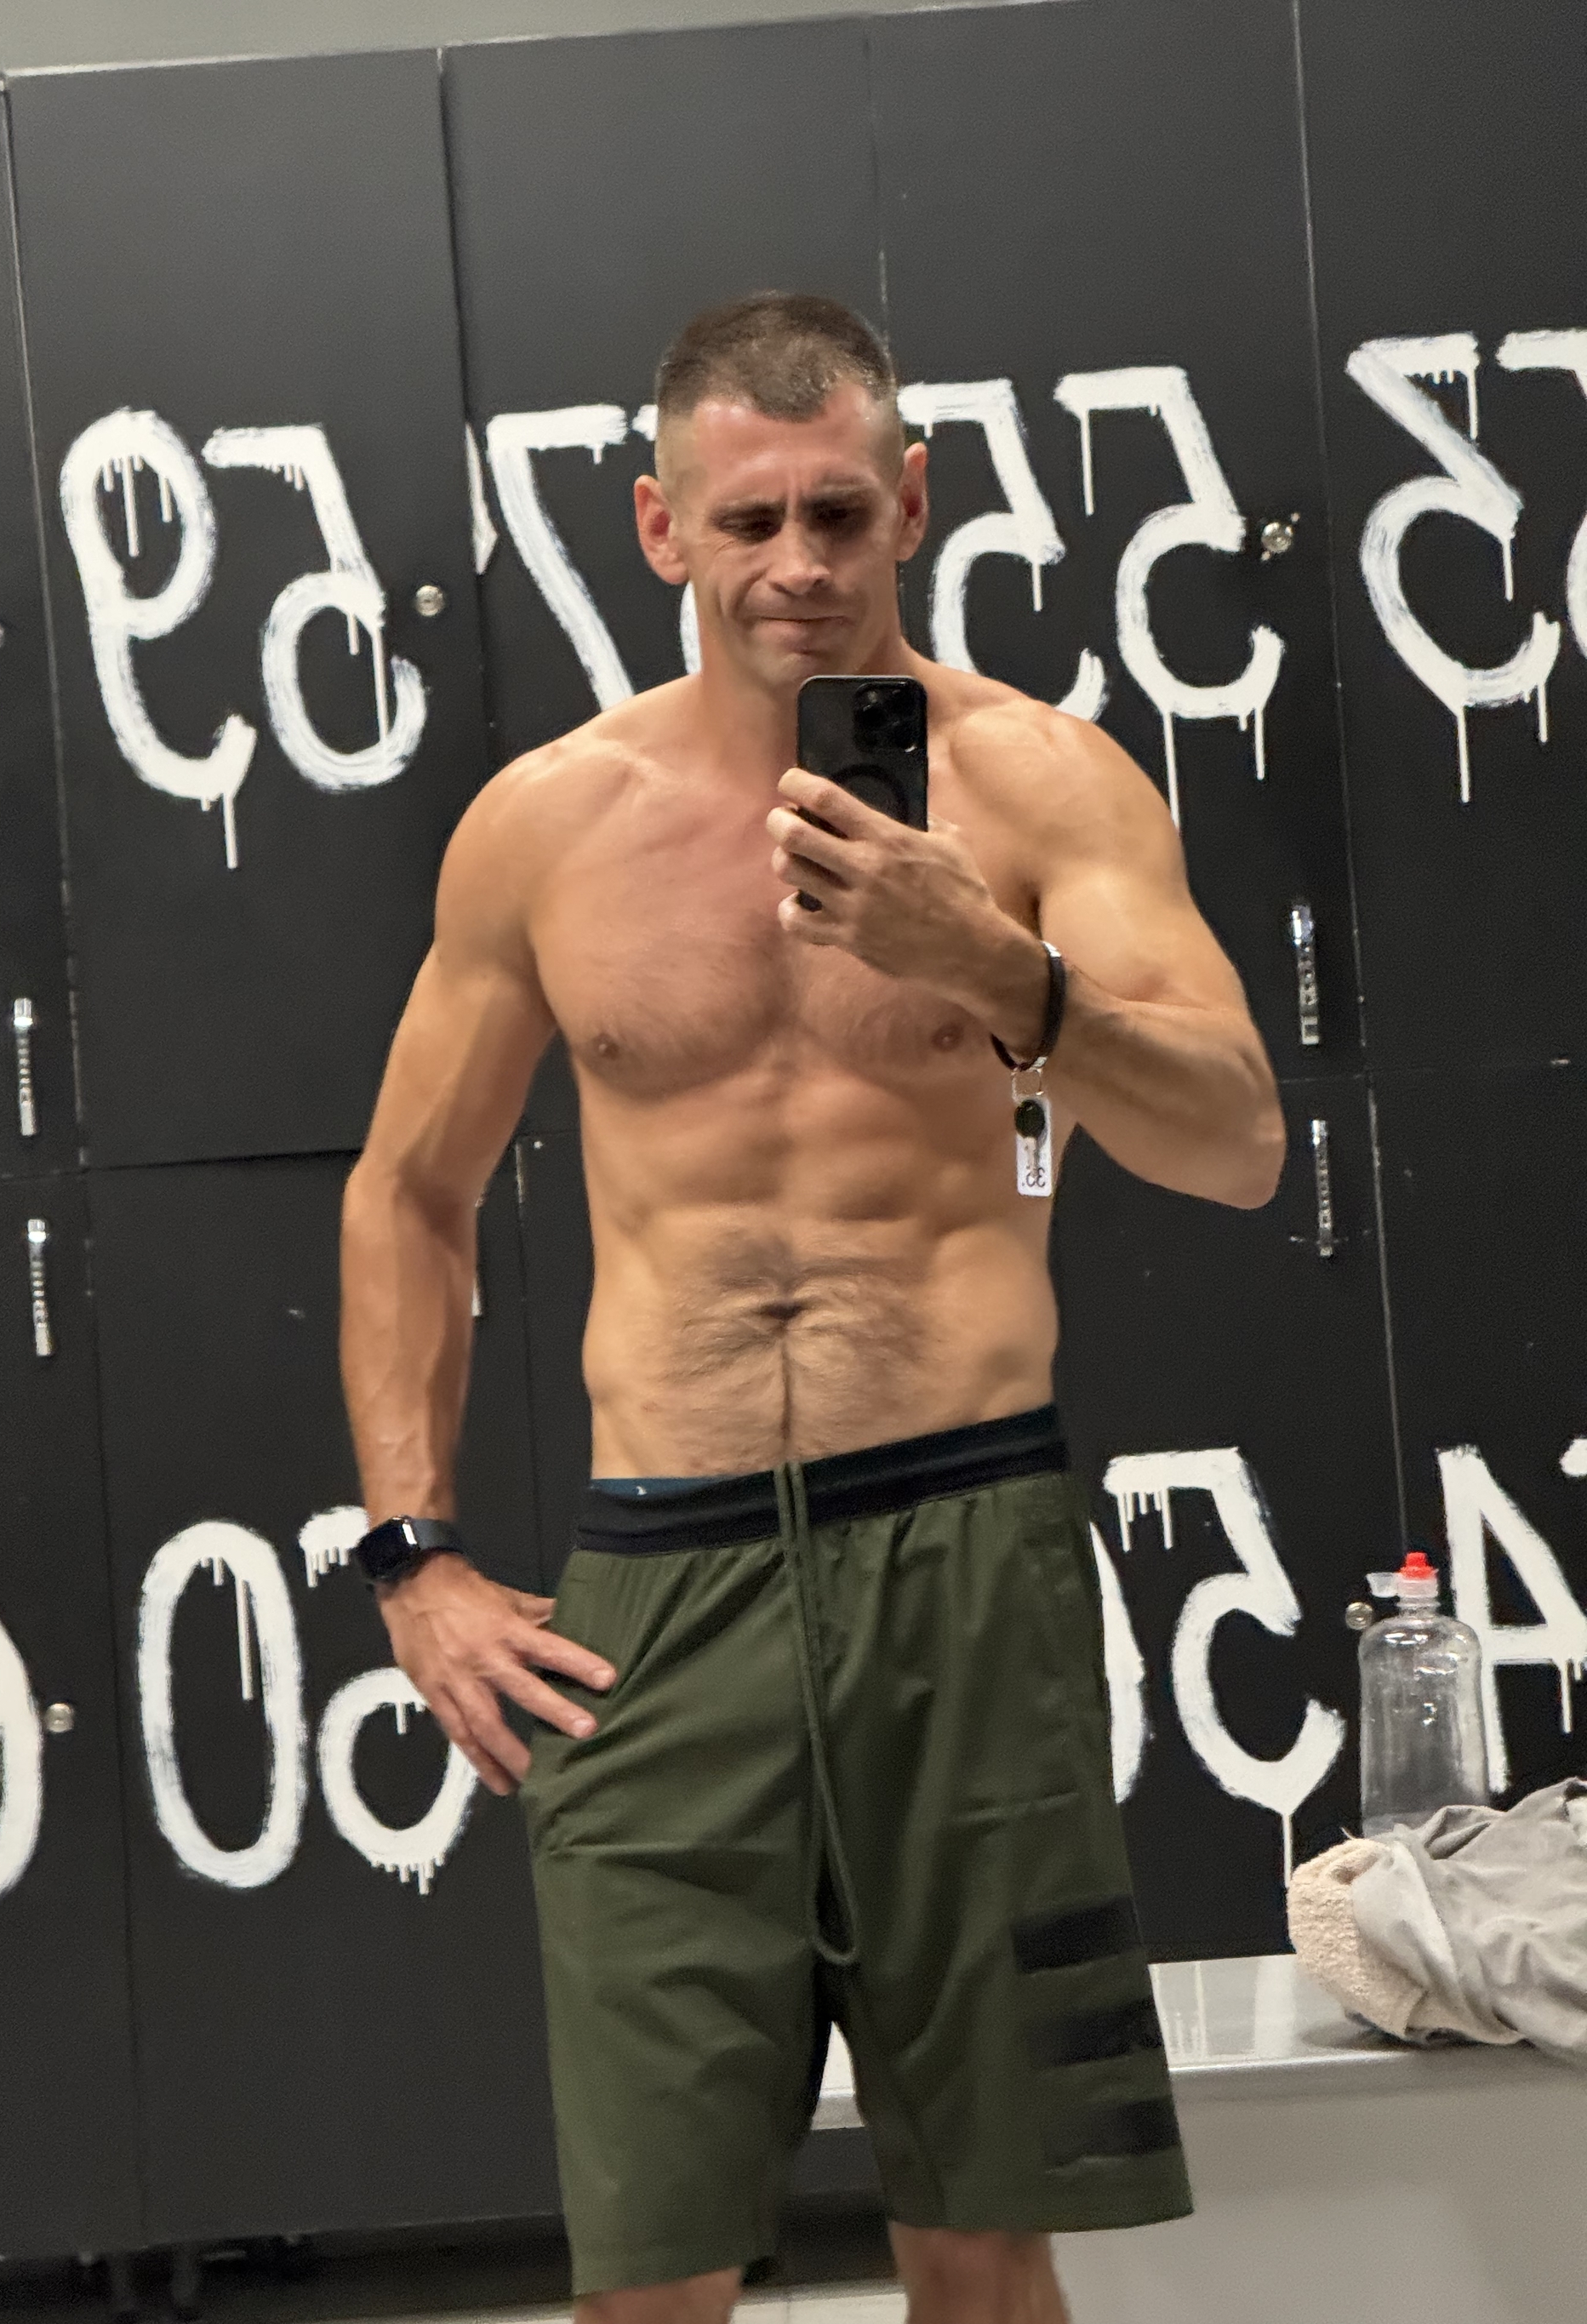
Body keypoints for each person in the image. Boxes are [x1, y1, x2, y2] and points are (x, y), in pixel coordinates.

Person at [340, 292, 1283, 2324]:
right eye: (747, 518)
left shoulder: (1041, 787)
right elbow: (408, 1190)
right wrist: (413, 1557)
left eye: (838, 512)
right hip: (663, 1587)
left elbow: (1236, 1141)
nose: (798, 563)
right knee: (647, 2272)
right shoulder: (550, 823)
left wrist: (999, 970)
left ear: (912, 504)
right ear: (657, 527)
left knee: (981, 2244)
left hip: (964, 1552)